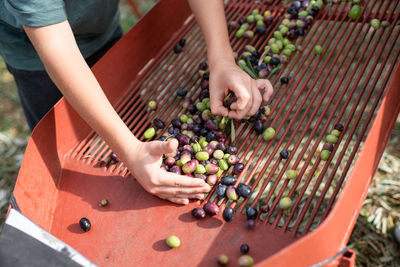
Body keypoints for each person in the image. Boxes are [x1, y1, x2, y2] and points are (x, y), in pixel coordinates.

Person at [0, 0, 273, 205]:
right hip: (35, 55)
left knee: (137, 134)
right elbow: (55, 45)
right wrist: (130, 151)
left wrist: (222, 58)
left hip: (99, 26)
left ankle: (141, 155)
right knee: (64, 157)